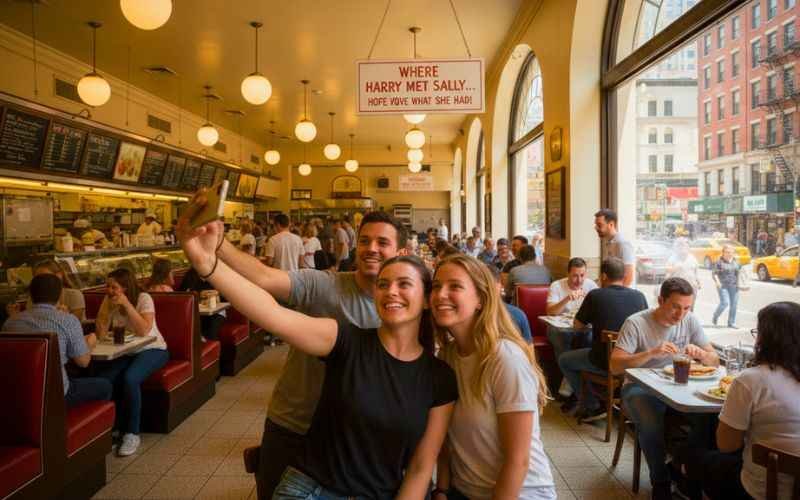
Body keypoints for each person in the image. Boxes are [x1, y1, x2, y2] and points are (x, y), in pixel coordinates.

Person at [179, 201, 457, 498]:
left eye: (404, 284)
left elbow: (421, 465)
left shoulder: (437, 373)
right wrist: (206, 261)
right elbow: (270, 310)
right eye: (384, 285)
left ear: (427, 299)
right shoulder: (345, 335)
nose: (391, 292)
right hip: (304, 461)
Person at [431, 254, 555, 499]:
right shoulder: (447, 356)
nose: (440, 295)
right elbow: (446, 441)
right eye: (436, 286)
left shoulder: (505, 358)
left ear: (480, 299)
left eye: (455, 286)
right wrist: (442, 490)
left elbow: (517, 461)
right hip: (464, 491)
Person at [610, 277, 719, 499]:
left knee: (711, 417)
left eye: (687, 308)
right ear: (660, 300)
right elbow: (614, 366)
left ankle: (680, 467)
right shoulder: (636, 323)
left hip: (677, 387)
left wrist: (703, 355)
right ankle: (660, 479)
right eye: (675, 307)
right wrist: (650, 353)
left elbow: (715, 360)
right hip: (638, 388)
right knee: (650, 418)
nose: (680, 315)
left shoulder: (690, 321)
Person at [679, 302, 800, 500]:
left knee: (695, 457)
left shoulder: (751, 380)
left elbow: (727, 445)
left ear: (765, 338)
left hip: (762, 491)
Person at [3, 274, 111, 408]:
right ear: (60, 295)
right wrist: (90, 343)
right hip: (56, 394)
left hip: (18, 393)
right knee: (105, 385)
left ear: (30, 295)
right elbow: (83, 362)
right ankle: (72, 424)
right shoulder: (67, 320)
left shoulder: (10, 322)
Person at [558, 258, 648, 417]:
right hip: (634, 360)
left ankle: (591, 404)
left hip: (604, 361)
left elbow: (577, 326)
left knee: (565, 359)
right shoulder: (639, 296)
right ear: (624, 275)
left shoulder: (595, 295)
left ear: (604, 276)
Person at [95, 268, 169, 456]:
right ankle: (113, 428)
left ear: (126, 288)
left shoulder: (144, 299)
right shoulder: (108, 300)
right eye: (108, 286)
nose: (109, 290)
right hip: (126, 351)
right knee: (105, 378)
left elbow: (144, 330)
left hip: (153, 349)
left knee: (130, 378)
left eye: (114, 287)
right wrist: (106, 310)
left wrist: (127, 305)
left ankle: (132, 433)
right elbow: (101, 333)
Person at [485, 263, 532, 342]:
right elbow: (529, 349)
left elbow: (529, 348)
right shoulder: (517, 314)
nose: (488, 290)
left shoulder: (517, 314)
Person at [178, 268, 225, 341]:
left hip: (216, 312)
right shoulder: (190, 275)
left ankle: (209, 345)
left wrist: (216, 295)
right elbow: (181, 294)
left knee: (211, 328)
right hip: (196, 312)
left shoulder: (217, 274)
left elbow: (225, 298)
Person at [594, 208, 635, 287]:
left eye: (599, 225)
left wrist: (618, 296)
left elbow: (629, 276)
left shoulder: (623, 243)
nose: (596, 228)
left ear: (611, 225)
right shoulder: (607, 242)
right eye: (596, 225)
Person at [712, 244, 740, 328]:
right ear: (723, 253)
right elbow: (714, 274)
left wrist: (740, 284)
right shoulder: (719, 262)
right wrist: (717, 282)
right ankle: (716, 315)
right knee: (725, 303)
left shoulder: (736, 261)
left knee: (734, 304)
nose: (729, 254)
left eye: (731, 252)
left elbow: (739, 273)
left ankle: (731, 322)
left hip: (734, 286)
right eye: (727, 252)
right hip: (723, 286)